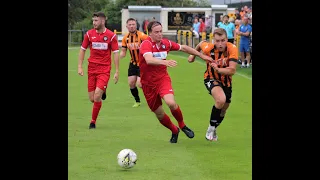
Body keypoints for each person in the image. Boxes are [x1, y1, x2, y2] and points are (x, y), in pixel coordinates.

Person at [139, 21, 213, 143]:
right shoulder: (146, 44)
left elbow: (183, 47)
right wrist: (165, 62)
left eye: (161, 31)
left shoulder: (165, 43)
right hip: (148, 84)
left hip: (162, 79)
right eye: (156, 32)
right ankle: (174, 130)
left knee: (171, 103)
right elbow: (149, 60)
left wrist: (201, 55)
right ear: (150, 33)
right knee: (159, 114)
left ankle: (182, 125)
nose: (160, 34)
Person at [188, 28, 238, 141]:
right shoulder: (208, 48)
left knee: (224, 109)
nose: (220, 44)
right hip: (210, 78)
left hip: (226, 81)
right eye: (217, 41)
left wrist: (218, 70)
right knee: (220, 100)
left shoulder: (232, 49)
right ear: (213, 40)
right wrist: (193, 56)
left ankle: (214, 127)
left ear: (227, 39)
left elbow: (232, 70)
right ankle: (210, 128)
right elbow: (201, 44)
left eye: (222, 40)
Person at [77, 12, 120, 129]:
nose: (94, 23)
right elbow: (82, 49)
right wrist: (80, 66)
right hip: (92, 69)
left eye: (96, 20)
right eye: (93, 20)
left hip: (104, 69)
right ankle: (103, 91)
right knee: (92, 99)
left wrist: (117, 71)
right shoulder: (89, 34)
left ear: (102, 21)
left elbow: (116, 53)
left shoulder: (111, 36)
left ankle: (93, 122)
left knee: (96, 96)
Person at [120, 18, 148, 107]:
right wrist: (117, 56)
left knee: (139, 84)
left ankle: (152, 96)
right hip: (133, 63)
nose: (132, 26)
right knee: (131, 83)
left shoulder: (142, 36)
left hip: (143, 64)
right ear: (127, 26)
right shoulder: (125, 38)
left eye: (133, 24)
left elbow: (151, 46)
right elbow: (123, 52)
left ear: (136, 25)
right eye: (130, 25)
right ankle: (137, 101)